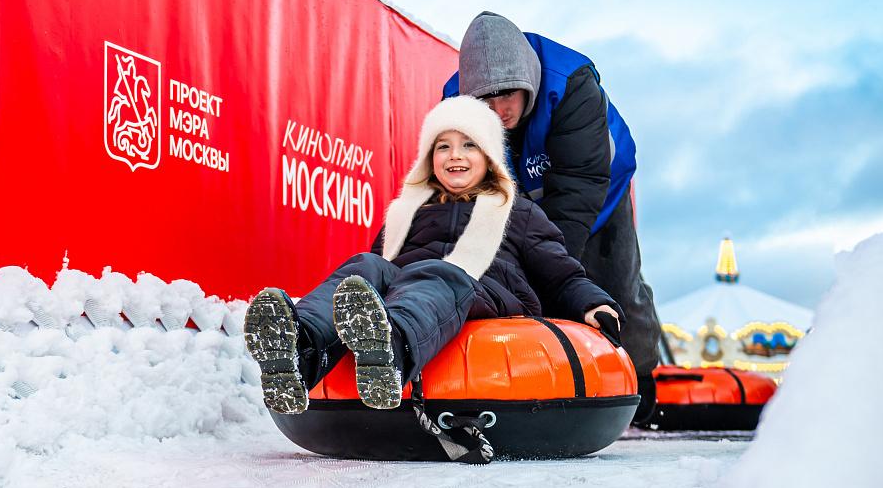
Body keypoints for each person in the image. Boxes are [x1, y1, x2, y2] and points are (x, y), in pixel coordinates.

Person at [244, 95, 622, 414]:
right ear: (429, 157)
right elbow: (369, 285)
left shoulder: (517, 212)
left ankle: (391, 350)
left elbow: (561, 274)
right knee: (367, 265)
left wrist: (593, 304)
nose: (455, 156)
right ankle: (298, 350)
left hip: (480, 292)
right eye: (443, 146)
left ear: (490, 156)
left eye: (469, 145)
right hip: (409, 293)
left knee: (441, 271)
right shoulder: (407, 212)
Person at [444, 11, 661, 424]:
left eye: (507, 95)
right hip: (518, 199)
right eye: (484, 101)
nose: (498, 110)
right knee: (506, 284)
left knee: (613, 286)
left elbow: (578, 188)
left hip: (597, 192)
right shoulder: (454, 106)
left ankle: (643, 385)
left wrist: (553, 271)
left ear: (528, 81)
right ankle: (538, 379)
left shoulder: (572, 83)